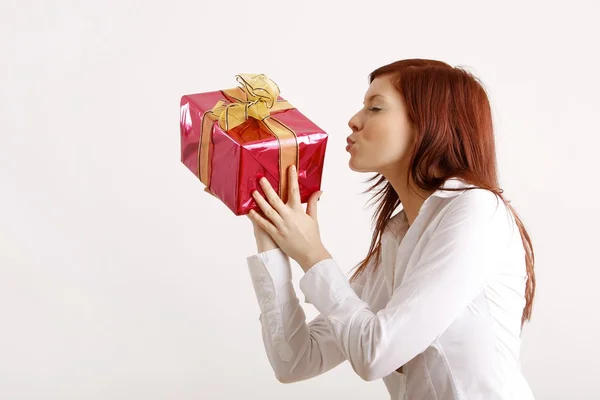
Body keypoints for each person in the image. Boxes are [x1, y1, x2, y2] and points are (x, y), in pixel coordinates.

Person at [244, 59, 536, 400]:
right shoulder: (398, 236)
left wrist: (311, 254)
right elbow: (294, 361)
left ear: (429, 124)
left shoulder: (476, 211)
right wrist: (270, 232)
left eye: (376, 107)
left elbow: (376, 355)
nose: (354, 120)